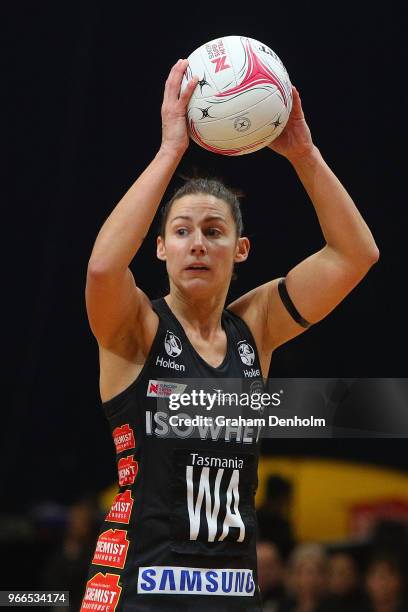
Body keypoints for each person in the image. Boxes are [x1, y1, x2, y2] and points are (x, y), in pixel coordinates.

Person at [80, 57, 379, 611]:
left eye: (214, 231)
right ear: (160, 248)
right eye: (182, 231)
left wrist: (305, 156)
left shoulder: (255, 328)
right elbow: (101, 269)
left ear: (240, 251)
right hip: (139, 588)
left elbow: (356, 255)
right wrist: (170, 151)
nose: (197, 243)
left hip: (232, 592)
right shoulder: (136, 328)